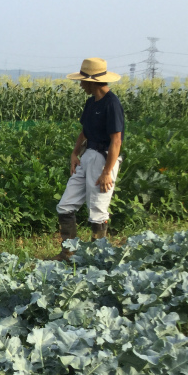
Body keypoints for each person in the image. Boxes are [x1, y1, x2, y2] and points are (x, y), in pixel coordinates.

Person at [53, 58, 125, 261]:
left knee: (98, 210)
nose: (81, 84)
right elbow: (84, 132)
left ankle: (96, 258)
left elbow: (116, 141)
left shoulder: (112, 104)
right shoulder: (91, 102)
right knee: (65, 206)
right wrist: (74, 154)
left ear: (92, 81)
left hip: (103, 159)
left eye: (83, 80)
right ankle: (69, 253)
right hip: (87, 155)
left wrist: (106, 173)